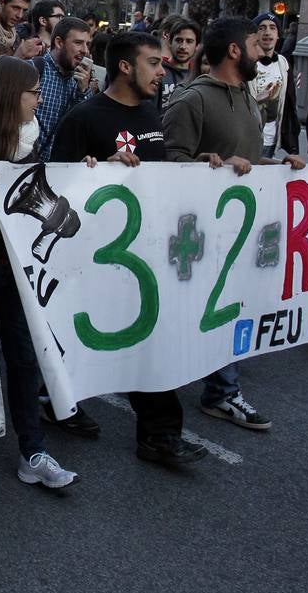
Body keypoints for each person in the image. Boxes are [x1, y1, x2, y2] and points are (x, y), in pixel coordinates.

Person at [50, 33, 210, 467]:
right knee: (77, 339)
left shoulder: (150, 111)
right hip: (96, 259)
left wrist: (210, 167)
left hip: (146, 255)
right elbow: (56, 184)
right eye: (154, 63)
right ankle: (55, 397)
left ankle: (159, 435)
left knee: (149, 340)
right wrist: (99, 172)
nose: (163, 71)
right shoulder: (84, 117)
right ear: (125, 67)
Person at [163, 17, 306, 430]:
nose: (263, 48)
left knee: (229, 307)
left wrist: (276, 166)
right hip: (198, 233)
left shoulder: (245, 95)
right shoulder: (193, 99)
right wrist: (215, 166)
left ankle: (217, 387)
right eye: (253, 42)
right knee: (207, 309)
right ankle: (219, 391)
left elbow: (240, 156)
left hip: (239, 228)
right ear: (233, 51)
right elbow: (167, 162)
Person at [0, 57, 81, 491]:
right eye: (33, 92)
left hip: (13, 265)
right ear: (11, 95)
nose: (39, 100)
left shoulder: (29, 136)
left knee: (24, 356)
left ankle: (33, 450)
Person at [34, 17, 94, 164]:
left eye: (88, 44)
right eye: (78, 43)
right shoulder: (33, 70)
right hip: (28, 169)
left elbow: (81, 129)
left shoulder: (82, 80)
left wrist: (83, 91)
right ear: (59, 43)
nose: (85, 51)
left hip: (61, 172)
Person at [250, 13, 299, 158]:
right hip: (248, 135)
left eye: (272, 28)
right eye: (262, 28)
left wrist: (292, 141)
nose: (267, 32)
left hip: (270, 138)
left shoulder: (283, 64)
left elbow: (290, 103)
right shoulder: (245, 63)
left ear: (278, 35)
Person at [158, 15, 200, 109]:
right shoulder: (158, 72)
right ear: (169, 42)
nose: (183, 46)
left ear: (197, 46)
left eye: (189, 41)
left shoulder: (199, 75)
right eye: (179, 40)